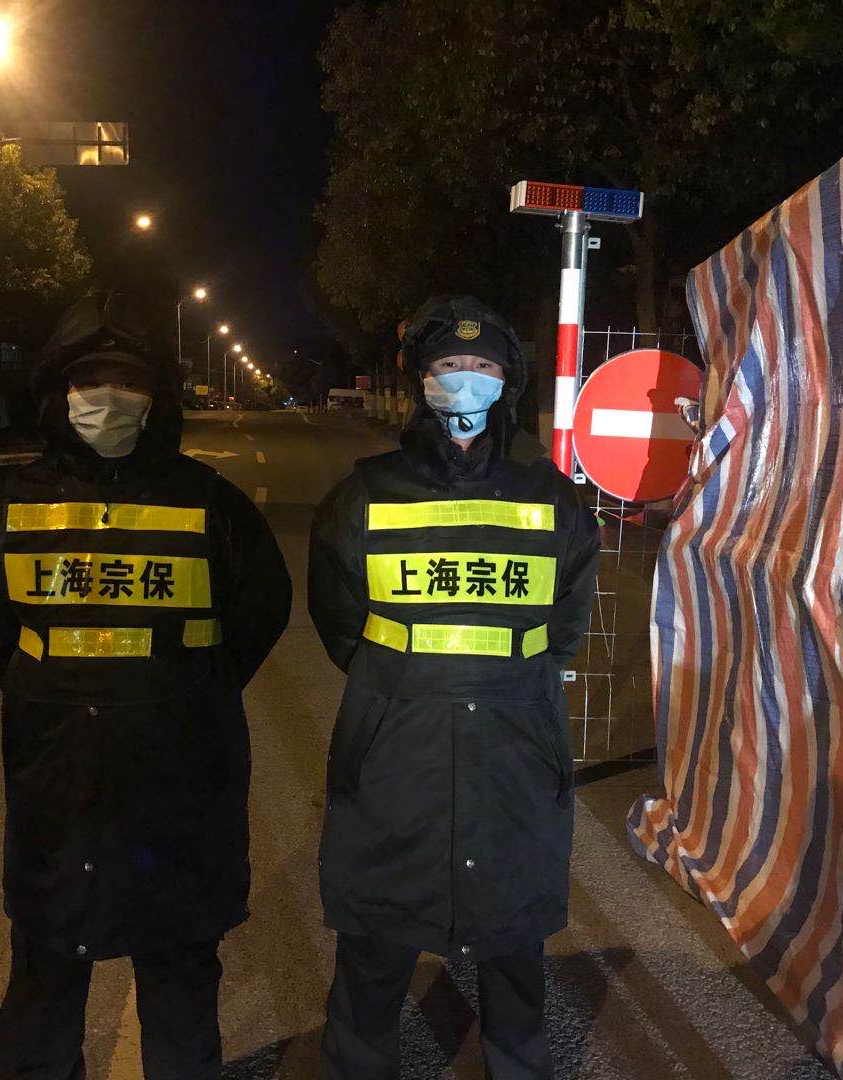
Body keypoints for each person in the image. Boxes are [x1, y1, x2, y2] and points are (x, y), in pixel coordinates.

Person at [0, 290, 291, 1079]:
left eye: (128, 381)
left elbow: (261, 611)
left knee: (178, 980)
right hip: (59, 780)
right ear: (60, 392)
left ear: (157, 398)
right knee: (45, 973)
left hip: (180, 781)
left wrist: (183, 693)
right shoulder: (15, 505)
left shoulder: (211, 504)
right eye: (91, 380)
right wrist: (56, 694)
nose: (107, 397)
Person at [308, 295, 600, 1078]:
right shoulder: (365, 494)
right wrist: (401, 687)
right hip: (394, 749)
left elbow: (567, 617)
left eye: (482, 366)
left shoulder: (550, 495)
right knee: (375, 949)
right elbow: (339, 621)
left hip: (515, 746)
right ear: (419, 379)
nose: (464, 379)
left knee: (514, 952)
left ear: (508, 383)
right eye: (447, 365)